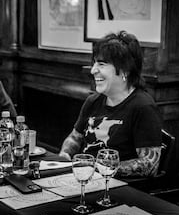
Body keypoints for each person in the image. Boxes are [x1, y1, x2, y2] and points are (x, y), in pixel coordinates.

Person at [59, 31, 162, 177]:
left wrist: (102, 168)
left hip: (119, 189)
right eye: (94, 63)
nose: (93, 70)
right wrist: (64, 155)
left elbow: (150, 165)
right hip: (85, 179)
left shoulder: (143, 107)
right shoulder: (93, 101)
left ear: (125, 70)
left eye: (101, 64)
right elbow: (75, 137)